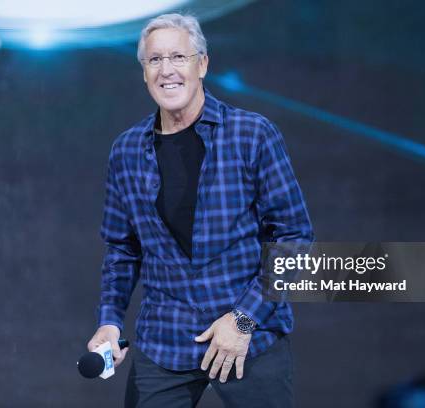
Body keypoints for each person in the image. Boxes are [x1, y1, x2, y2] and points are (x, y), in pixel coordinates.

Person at [87, 13, 313, 407]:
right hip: (165, 342)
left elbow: (295, 238)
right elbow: (122, 250)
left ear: (202, 64)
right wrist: (109, 320)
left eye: (179, 57)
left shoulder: (252, 134)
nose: (167, 70)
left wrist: (243, 319)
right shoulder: (125, 151)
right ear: (144, 73)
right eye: (155, 60)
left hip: (249, 339)